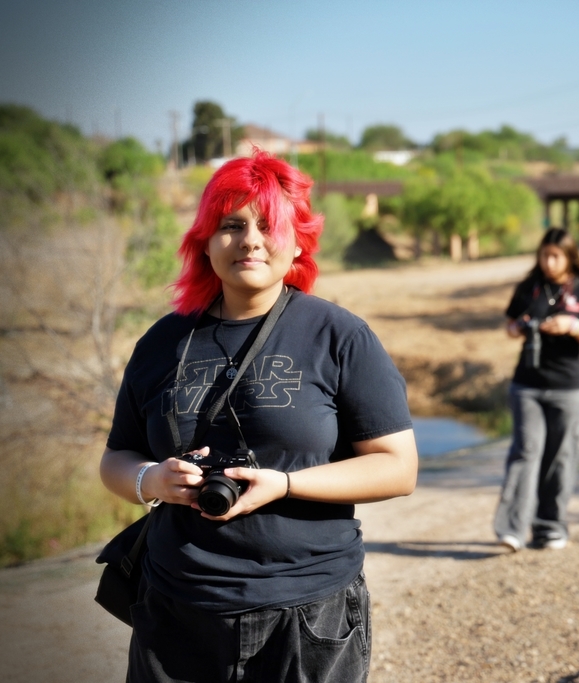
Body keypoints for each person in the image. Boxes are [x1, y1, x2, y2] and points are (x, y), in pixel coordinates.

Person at [99, 151, 417, 683]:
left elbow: (397, 468)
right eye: (231, 225)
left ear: (298, 242)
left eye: (269, 225)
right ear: (205, 240)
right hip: (176, 608)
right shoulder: (161, 343)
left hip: (307, 611)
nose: (250, 240)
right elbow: (117, 457)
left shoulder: (338, 336)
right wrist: (150, 478)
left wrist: (285, 483)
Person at [494, 227, 579, 551]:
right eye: (544, 254)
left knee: (560, 458)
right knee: (525, 452)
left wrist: (573, 326)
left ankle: (550, 527)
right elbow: (510, 326)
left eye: (555, 255)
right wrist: (520, 327)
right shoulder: (530, 288)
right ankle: (511, 529)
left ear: (569, 257)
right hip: (526, 385)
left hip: (568, 388)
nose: (548, 261)